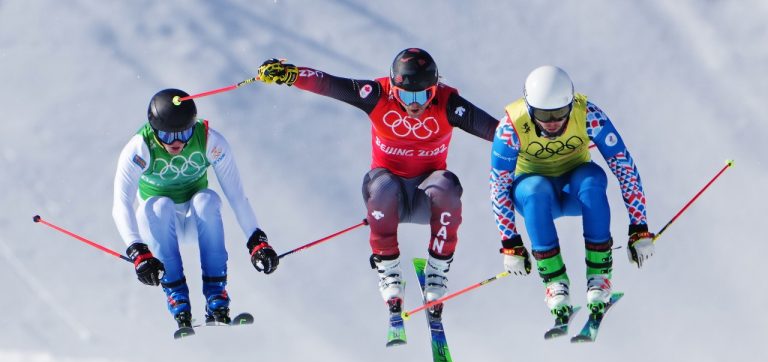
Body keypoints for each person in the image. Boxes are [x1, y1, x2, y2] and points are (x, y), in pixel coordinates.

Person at [256, 48, 499, 318]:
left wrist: (534, 143)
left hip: (425, 200)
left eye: (423, 95)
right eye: (407, 95)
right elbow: (328, 83)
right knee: (383, 185)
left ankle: (438, 272)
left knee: (447, 186)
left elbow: (496, 132)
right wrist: (291, 74)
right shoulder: (376, 95)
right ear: (394, 88)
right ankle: (389, 271)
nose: (415, 104)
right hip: (386, 197)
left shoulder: (449, 104)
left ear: (435, 88)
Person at [490, 65, 655, 322]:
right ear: (530, 109)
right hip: (535, 198)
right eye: (544, 115)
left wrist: (639, 226)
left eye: (560, 112)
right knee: (535, 189)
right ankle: (555, 283)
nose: (553, 122)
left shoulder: (588, 114)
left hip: (574, 191)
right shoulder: (510, 128)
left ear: (570, 103)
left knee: (591, 179)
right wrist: (510, 243)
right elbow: (499, 185)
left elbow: (624, 167)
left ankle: (599, 277)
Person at [112, 88, 280, 329]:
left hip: (195, 222)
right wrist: (137, 250)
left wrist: (257, 240)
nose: (177, 142)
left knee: (207, 200)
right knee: (158, 206)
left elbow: (237, 196)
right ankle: (177, 299)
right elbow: (120, 204)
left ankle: (216, 298)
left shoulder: (210, 141)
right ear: (154, 130)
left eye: (185, 132)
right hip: (158, 226)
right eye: (168, 136)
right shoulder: (140, 147)